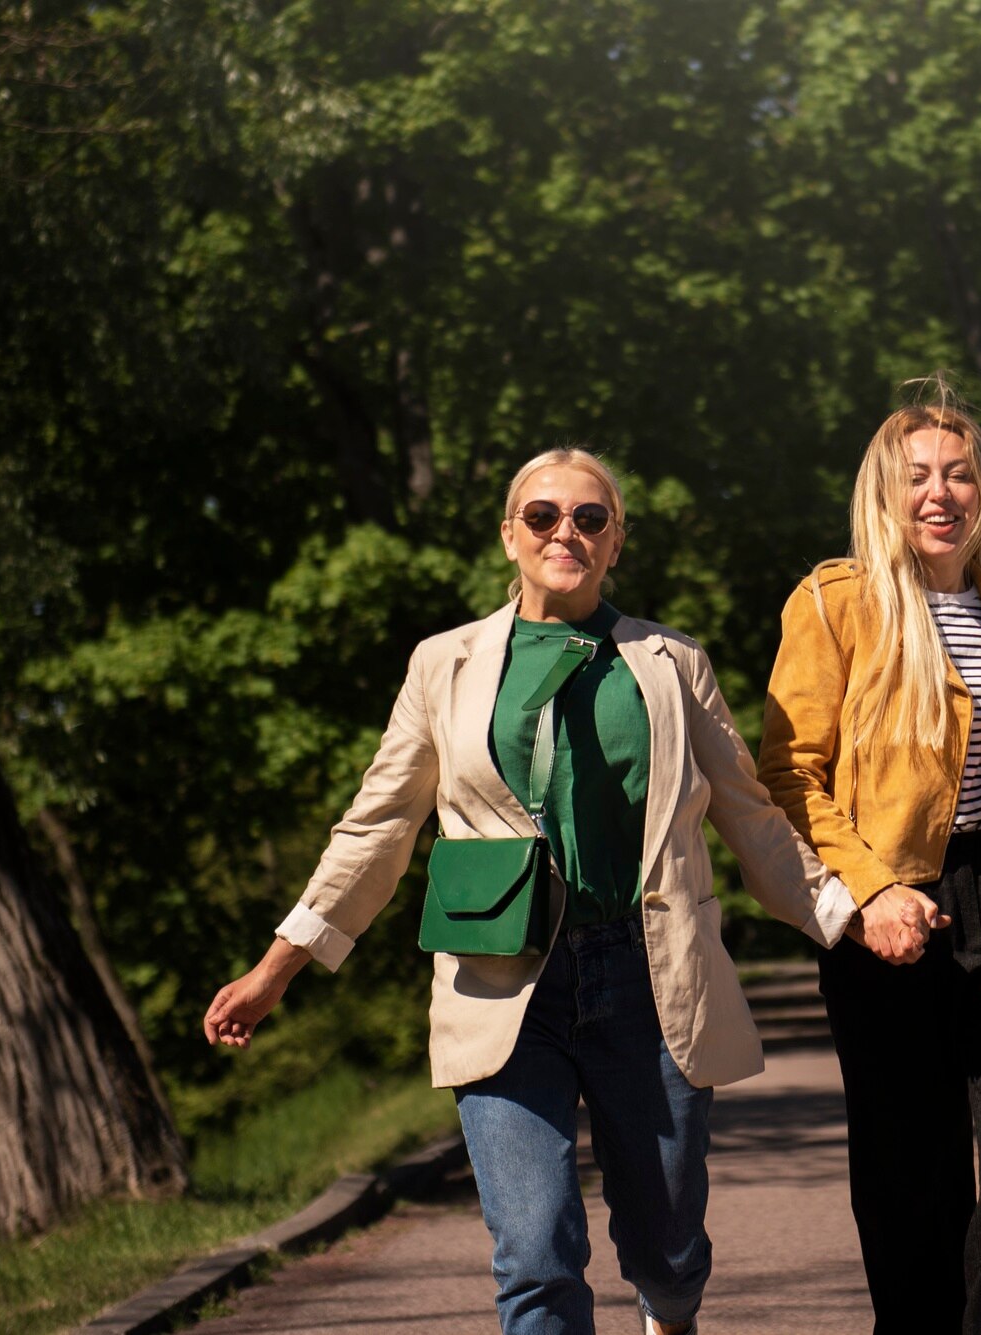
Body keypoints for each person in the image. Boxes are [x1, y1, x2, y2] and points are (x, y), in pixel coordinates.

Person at [203, 448, 858, 1335]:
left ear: (615, 540)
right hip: (502, 977)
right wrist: (275, 968)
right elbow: (378, 826)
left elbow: (748, 810)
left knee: (668, 1248)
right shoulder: (444, 664)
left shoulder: (670, 661)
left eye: (590, 518)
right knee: (535, 1252)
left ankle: (669, 1316)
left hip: (648, 976)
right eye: (543, 516)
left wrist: (850, 915)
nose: (566, 533)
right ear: (509, 534)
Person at [757, 397, 981, 1335]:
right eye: (918, 476)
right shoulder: (835, 601)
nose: (941, 493)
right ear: (883, 494)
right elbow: (789, 773)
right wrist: (871, 891)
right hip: (887, 902)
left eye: (960, 473)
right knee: (911, 1176)